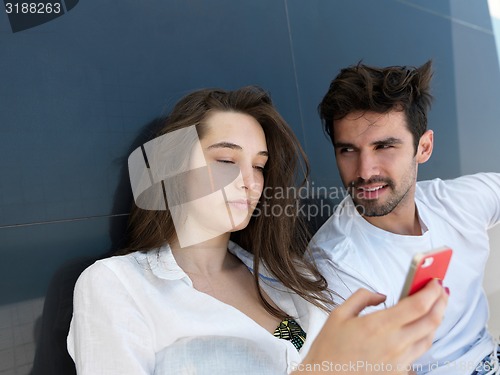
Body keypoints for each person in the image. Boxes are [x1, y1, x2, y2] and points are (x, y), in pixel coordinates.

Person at [67, 86, 448, 374]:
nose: (248, 181)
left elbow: (304, 350)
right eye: (226, 159)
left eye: (259, 165)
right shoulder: (118, 287)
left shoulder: (284, 278)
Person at [312, 61, 500, 375]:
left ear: (423, 147)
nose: (365, 171)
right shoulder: (335, 265)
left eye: (384, 146)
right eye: (348, 150)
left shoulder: (455, 202)